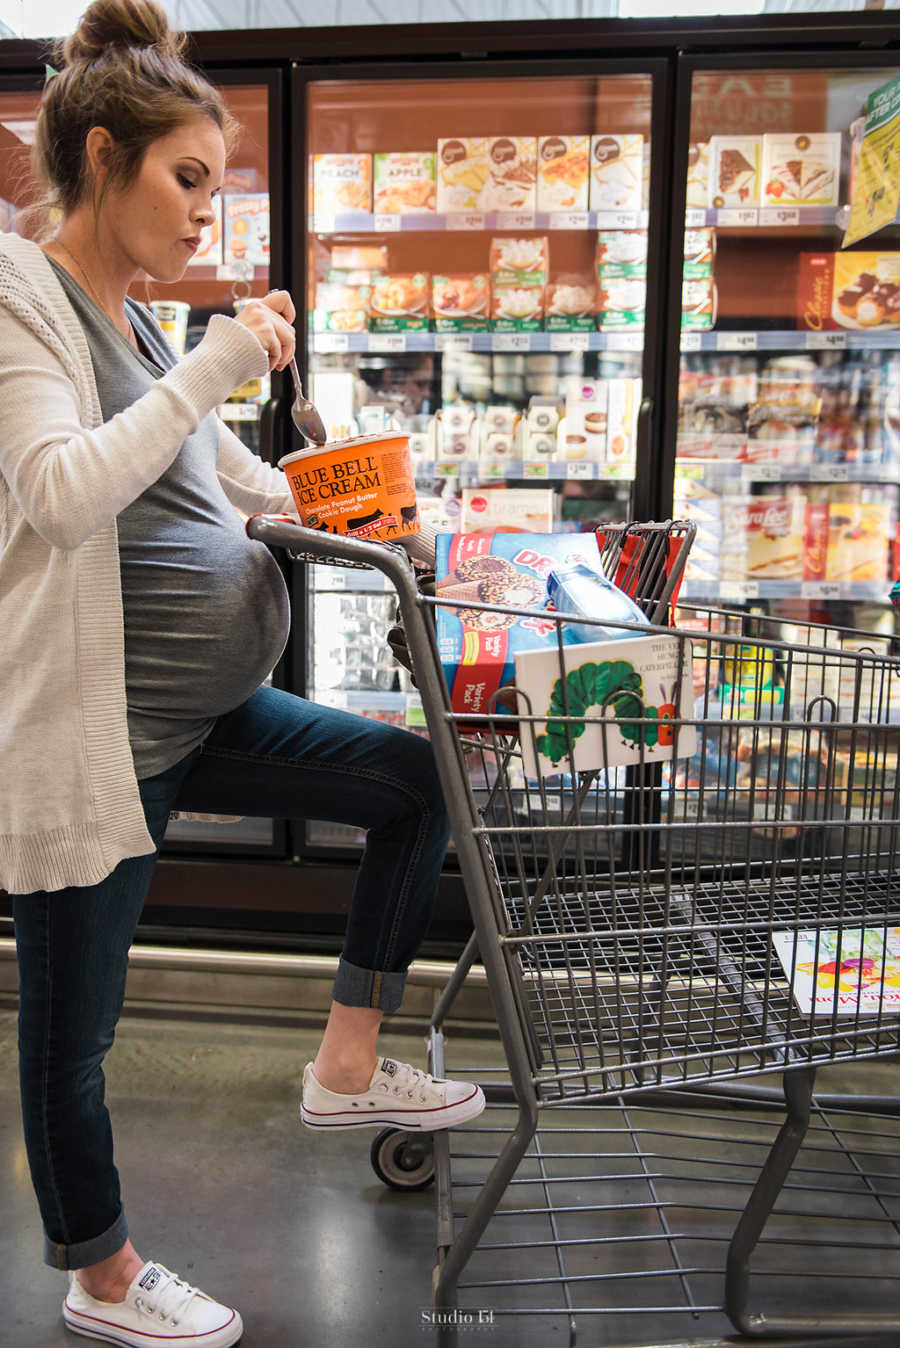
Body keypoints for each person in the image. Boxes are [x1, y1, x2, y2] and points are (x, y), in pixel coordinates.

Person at [1, 4, 484, 1345]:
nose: (208, 214)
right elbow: (54, 493)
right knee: (72, 1030)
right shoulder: (18, 299)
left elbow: (215, 474)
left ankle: (344, 1066)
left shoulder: (138, 325)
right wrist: (218, 358)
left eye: (217, 184)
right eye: (188, 178)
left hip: (207, 711)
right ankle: (100, 1275)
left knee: (411, 777)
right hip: (101, 742)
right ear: (105, 157)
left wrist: (338, 507)